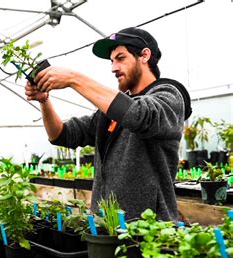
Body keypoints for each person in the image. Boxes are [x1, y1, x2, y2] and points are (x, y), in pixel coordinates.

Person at [25, 27, 191, 221]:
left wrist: (73, 78)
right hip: (106, 227)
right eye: (112, 61)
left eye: (120, 58)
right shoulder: (109, 111)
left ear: (145, 55)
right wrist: (44, 101)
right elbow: (61, 135)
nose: (113, 68)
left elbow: (140, 116)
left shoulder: (168, 96)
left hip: (148, 229)